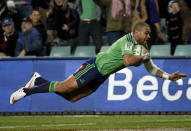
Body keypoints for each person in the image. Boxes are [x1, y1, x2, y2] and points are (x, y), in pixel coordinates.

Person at [10, 22, 187, 104]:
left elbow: (150, 67)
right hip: (95, 66)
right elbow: (128, 61)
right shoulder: (128, 40)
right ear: (137, 32)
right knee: (65, 87)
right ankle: (27, 90)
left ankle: (38, 80)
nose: (149, 36)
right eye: (146, 33)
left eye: (149, 34)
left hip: (102, 75)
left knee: (72, 98)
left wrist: (167, 76)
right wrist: (141, 56)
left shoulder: (142, 48)